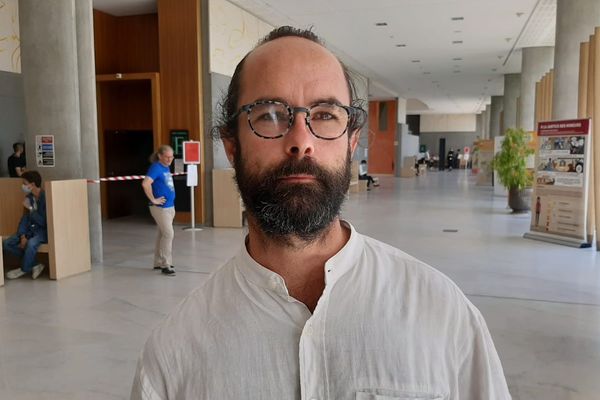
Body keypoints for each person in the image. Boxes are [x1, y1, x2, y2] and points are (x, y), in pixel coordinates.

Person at [131, 27, 510, 400]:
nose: (301, 142)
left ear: (352, 141)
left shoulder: (442, 312)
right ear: (232, 146)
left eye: (326, 114)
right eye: (269, 115)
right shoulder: (175, 352)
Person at [2, 171, 47, 280]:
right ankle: (35, 264)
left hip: (42, 232)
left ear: (32, 184)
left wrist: (31, 209)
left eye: (24, 183)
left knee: (31, 244)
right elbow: (24, 219)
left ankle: (24, 268)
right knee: (7, 243)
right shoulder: (29, 198)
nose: (23, 186)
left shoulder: (45, 197)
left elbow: (44, 222)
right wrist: (22, 236)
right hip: (29, 231)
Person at [141, 145, 176, 276]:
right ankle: (166, 264)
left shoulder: (165, 167)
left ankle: (157, 262)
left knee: (162, 234)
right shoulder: (156, 167)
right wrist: (153, 199)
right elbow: (145, 183)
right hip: (160, 208)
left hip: (169, 207)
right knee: (169, 234)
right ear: (160, 156)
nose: (169, 159)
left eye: (171, 157)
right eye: (167, 157)